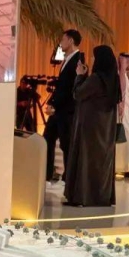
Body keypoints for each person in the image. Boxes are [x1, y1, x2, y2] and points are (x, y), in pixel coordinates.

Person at [63, 45, 120, 207]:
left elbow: (78, 93)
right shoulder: (113, 80)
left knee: (86, 162)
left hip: (90, 129)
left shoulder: (96, 79)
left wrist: (80, 76)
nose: (93, 59)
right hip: (106, 131)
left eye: (95, 57)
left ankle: (84, 197)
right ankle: (101, 197)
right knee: (102, 164)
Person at [43, 29, 84, 182]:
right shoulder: (66, 60)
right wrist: (51, 103)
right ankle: (46, 175)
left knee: (66, 144)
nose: (60, 43)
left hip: (67, 111)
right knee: (47, 139)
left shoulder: (79, 61)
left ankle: (69, 179)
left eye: (63, 39)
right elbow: (61, 86)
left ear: (71, 41)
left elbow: (71, 89)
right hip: (58, 110)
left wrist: (55, 106)